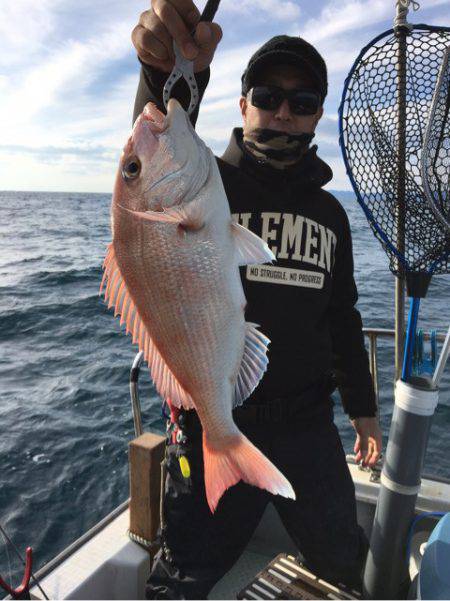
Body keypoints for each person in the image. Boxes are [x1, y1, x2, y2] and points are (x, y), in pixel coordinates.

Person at [131, 2, 383, 598]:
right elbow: (157, 169)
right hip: (212, 421)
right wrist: (161, 69)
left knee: (343, 556)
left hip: (308, 428)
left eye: (303, 103)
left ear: (319, 115)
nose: (284, 113)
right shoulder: (210, 183)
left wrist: (363, 409)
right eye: (268, 96)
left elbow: (342, 314)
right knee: (183, 577)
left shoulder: (331, 214)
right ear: (242, 104)